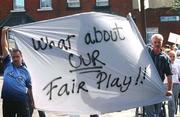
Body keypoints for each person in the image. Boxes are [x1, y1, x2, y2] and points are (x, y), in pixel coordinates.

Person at [1, 27, 34, 117]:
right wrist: (3, 33)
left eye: (17, 57)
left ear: (21, 57)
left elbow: (30, 88)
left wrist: (32, 101)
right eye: (14, 57)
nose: (15, 59)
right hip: (8, 102)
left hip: (22, 101)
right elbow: (4, 47)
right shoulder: (8, 64)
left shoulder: (26, 71)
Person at [144, 33, 173, 117]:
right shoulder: (146, 52)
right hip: (147, 87)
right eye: (155, 42)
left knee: (157, 111)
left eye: (159, 42)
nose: (157, 44)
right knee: (150, 113)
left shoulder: (165, 58)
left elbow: (169, 75)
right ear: (152, 42)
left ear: (162, 43)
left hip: (159, 87)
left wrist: (170, 89)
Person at [165, 50, 180, 116]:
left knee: (175, 101)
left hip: (177, 85)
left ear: (175, 57)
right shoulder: (166, 64)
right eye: (170, 56)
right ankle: (171, 115)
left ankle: (173, 114)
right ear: (168, 56)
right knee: (171, 102)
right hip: (168, 85)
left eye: (174, 56)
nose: (172, 58)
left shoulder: (178, 65)